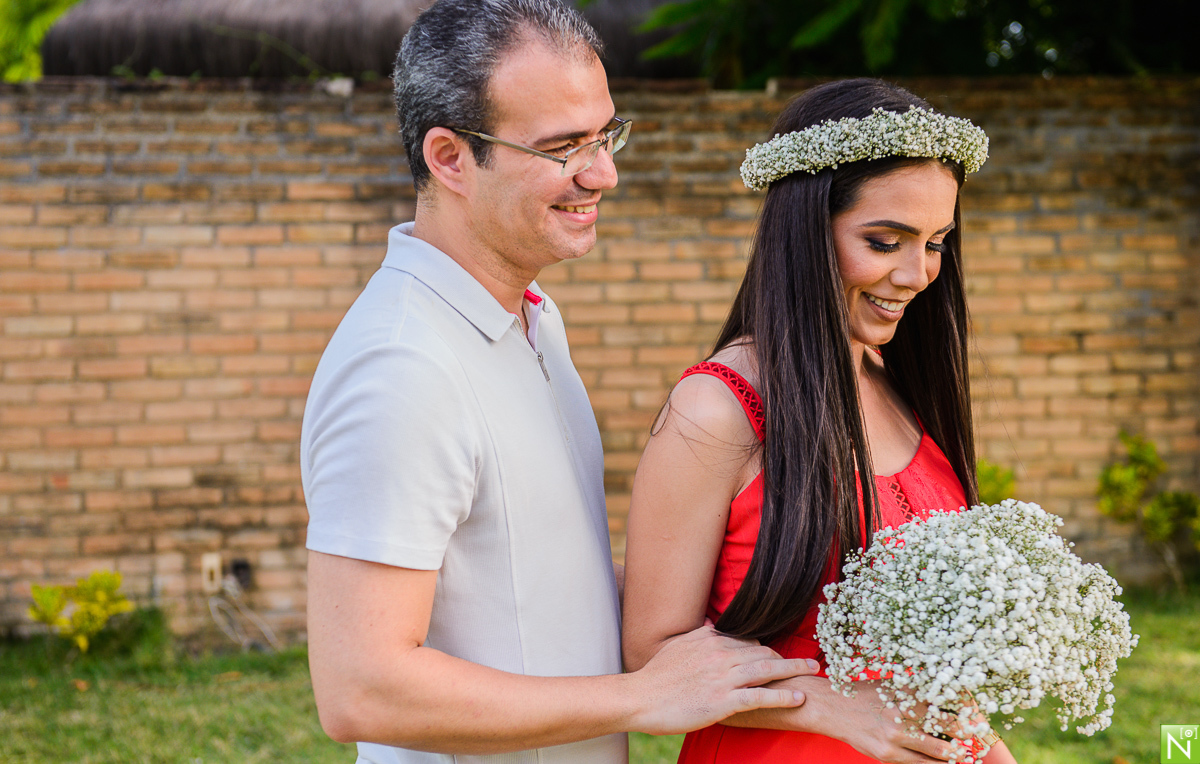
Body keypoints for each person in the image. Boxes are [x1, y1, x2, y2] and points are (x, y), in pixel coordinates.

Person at [299, 1, 817, 762]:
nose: (603, 172)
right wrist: (645, 696)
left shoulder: (533, 318)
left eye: (605, 134)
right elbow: (360, 688)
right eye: (564, 147)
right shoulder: (403, 367)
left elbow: (529, 581)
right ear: (449, 158)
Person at [621, 79, 1020, 764]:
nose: (919, 273)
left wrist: (975, 732)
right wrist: (833, 707)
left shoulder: (893, 377)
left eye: (935, 242)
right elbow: (655, 652)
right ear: (805, 230)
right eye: (885, 240)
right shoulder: (719, 408)